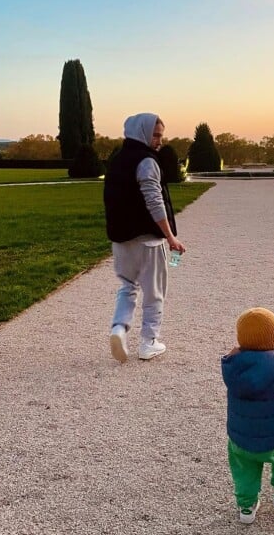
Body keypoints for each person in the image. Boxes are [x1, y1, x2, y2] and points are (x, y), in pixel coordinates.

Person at [103, 112, 185, 363]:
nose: (159, 140)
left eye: (160, 135)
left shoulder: (117, 160)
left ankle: (119, 328)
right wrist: (170, 237)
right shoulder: (147, 161)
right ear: (142, 133)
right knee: (154, 292)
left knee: (128, 287)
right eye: (155, 135)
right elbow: (154, 201)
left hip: (121, 241)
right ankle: (149, 342)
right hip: (149, 240)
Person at [221, 307, 274, 524]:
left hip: (240, 437)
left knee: (244, 472)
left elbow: (228, 362)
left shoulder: (232, 367)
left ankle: (246, 507)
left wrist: (232, 355)